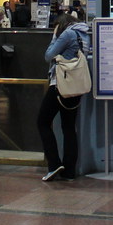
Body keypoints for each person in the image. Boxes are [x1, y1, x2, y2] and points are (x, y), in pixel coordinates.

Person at [37, 13, 92, 181]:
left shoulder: (67, 34)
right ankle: (69, 171)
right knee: (69, 127)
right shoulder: (85, 34)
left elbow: (48, 56)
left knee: (43, 122)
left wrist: (55, 37)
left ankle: (54, 164)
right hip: (76, 87)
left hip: (60, 85)